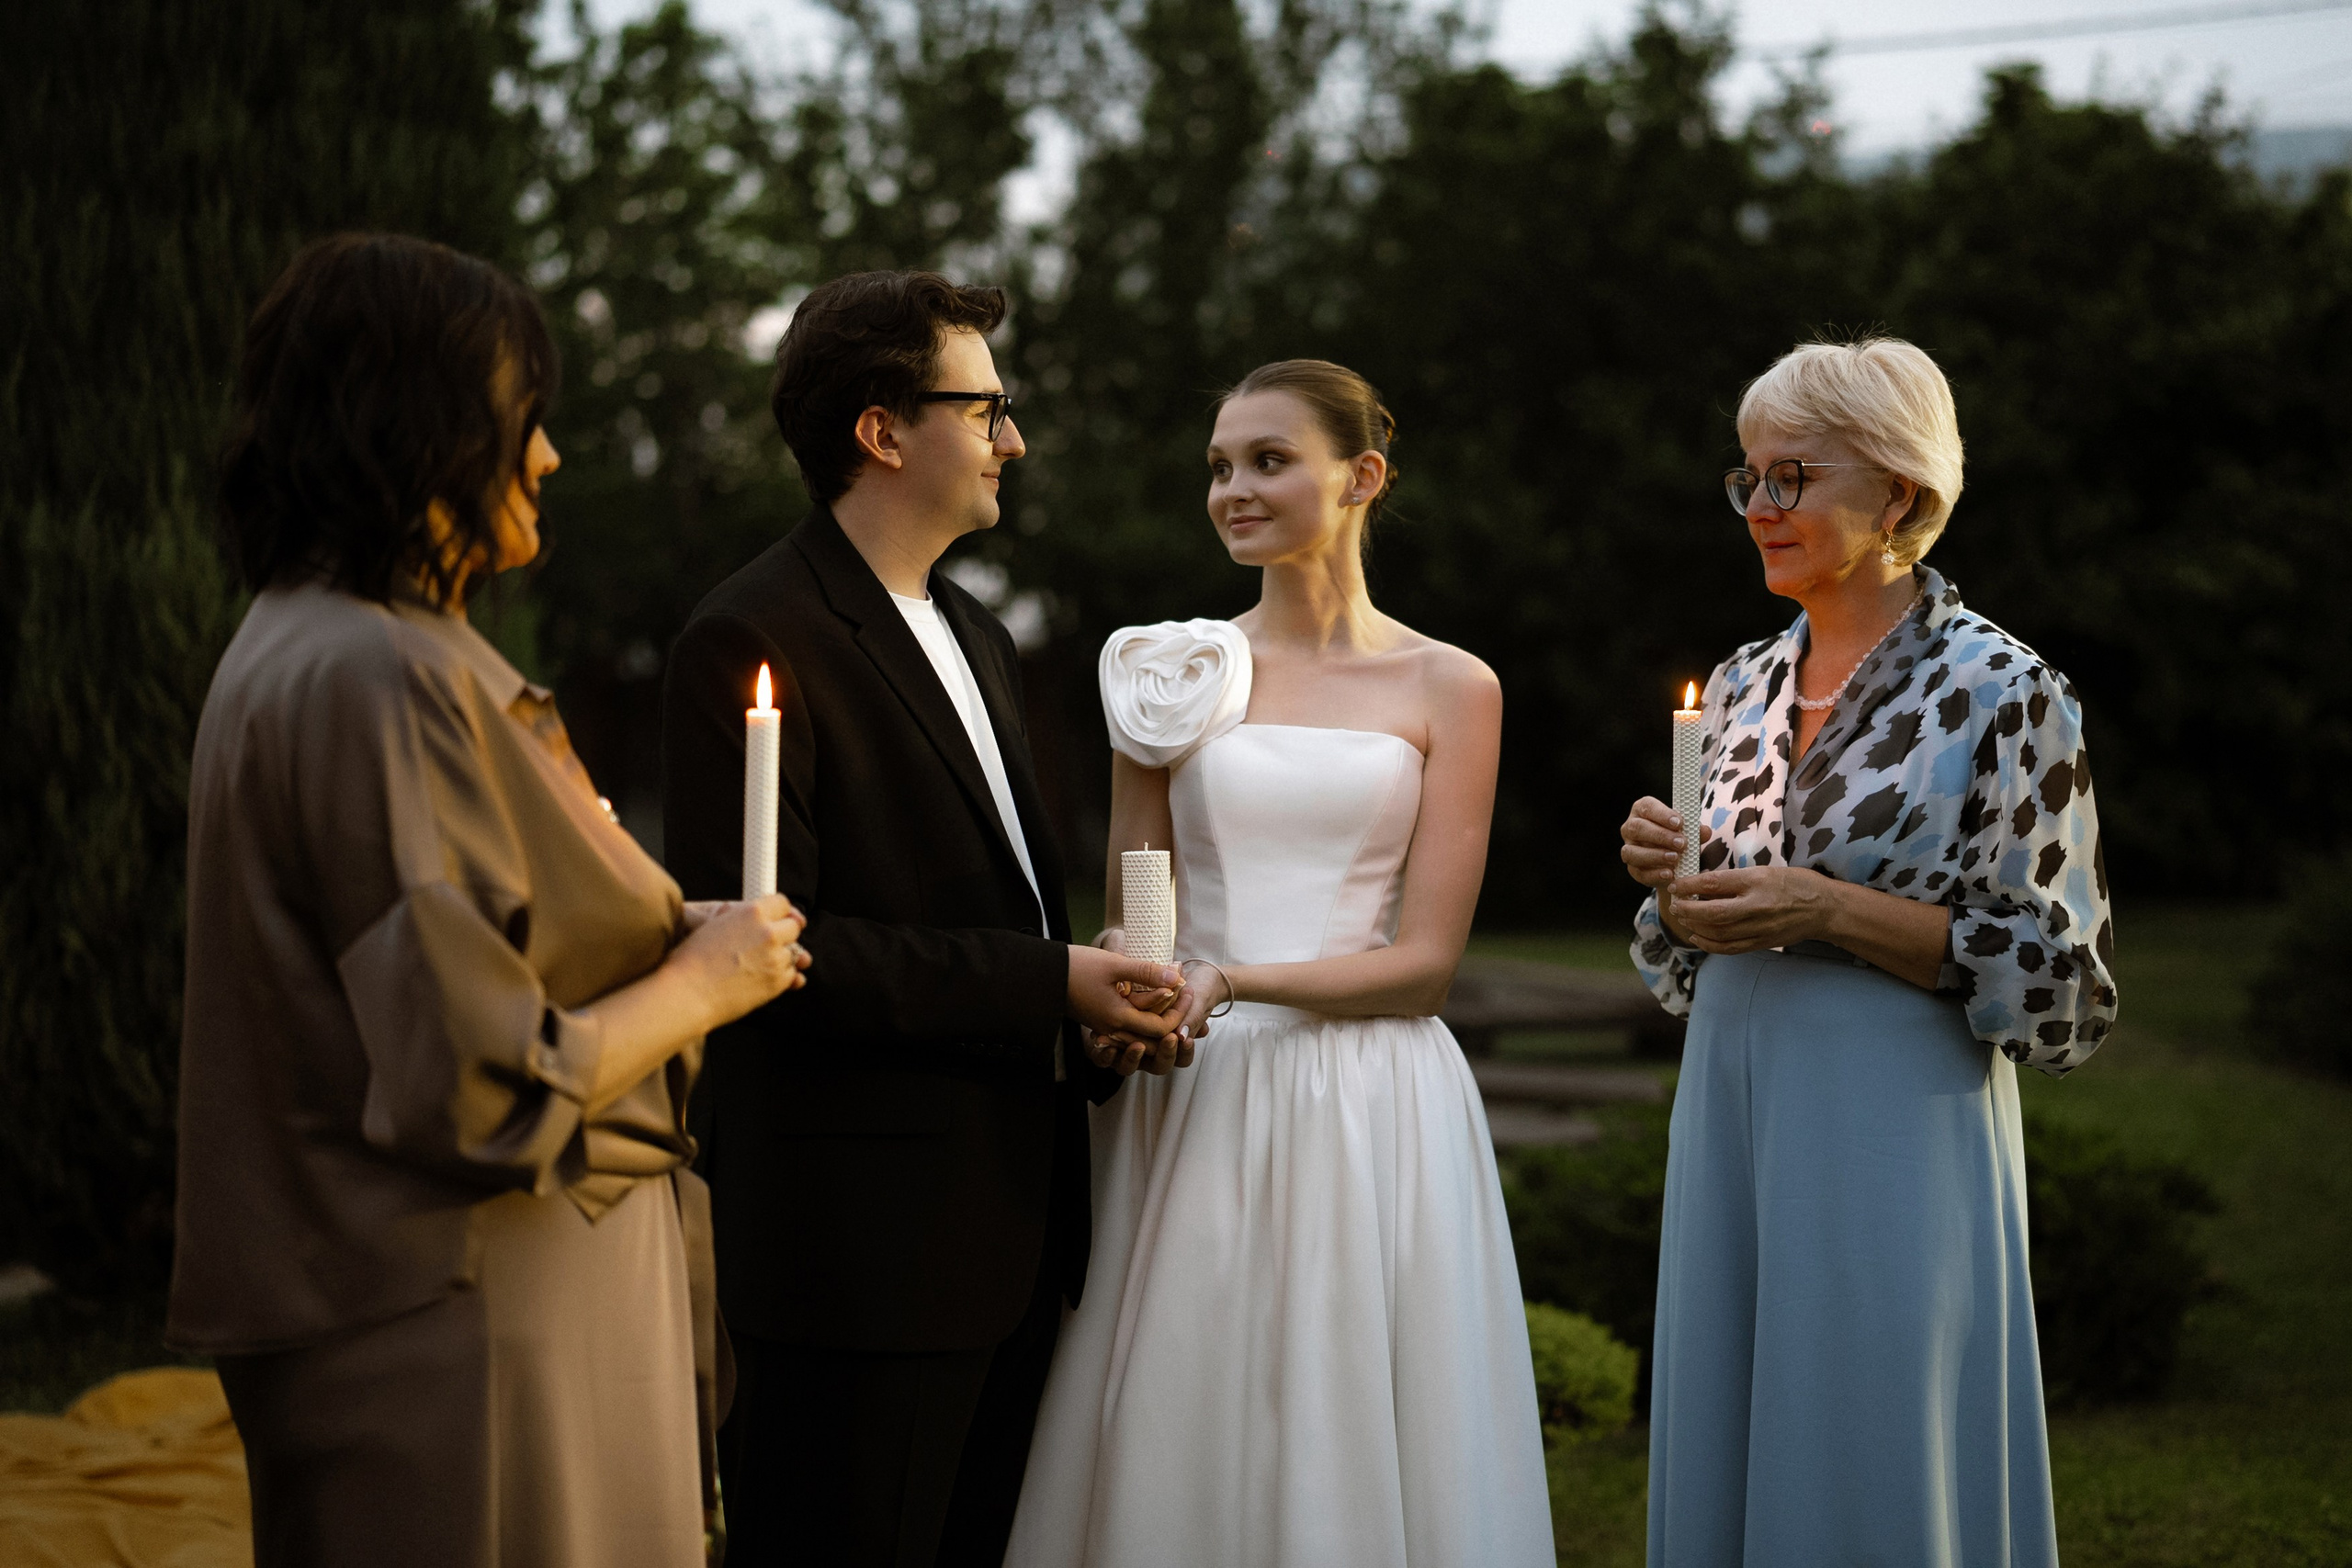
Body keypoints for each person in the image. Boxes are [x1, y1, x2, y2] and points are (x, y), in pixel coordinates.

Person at [169, 232, 810, 1568]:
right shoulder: (382, 675)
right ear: (418, 424)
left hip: (462, 1295)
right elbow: (478, 1076)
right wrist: (711, 981)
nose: (548, 456)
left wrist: (661, 937)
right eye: (526, 418)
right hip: (475, 1314)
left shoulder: (307, 640)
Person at [660, 269, 1189, 1568]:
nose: (1015, 438)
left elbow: (999, 903)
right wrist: (1050, 984)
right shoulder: (749, 636)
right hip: (856, 1246)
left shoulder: (978, 631)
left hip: (1007, 1224)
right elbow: (774, 951)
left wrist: (1086, 1022)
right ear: (882, 431)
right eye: (986, 407)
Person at [1006, 360, 1556, 1567]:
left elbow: (1423, 967)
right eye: (1219, 465)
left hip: (1369, 1099)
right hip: (1189, 1086)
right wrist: (1138, 989)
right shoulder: (1165, 672)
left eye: (1267, 460)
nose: (1233, 489)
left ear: (1360, 478)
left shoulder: (1451, 687)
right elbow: (1136, 909)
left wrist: (1240, 980)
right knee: (1184, 1397)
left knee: (1349, 1400)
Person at [1619, 336, 2119, 1567]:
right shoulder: (1738, 685)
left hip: (1893, 1108)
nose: (1763, 509)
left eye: (1794, 476)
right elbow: (1686, 942)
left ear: (1900, 492)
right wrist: (1671, 887)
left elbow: (2061, 988)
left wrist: (1830, 913)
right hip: (1734, 1092)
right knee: (1732, 1412)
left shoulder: (2008, 690)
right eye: (1749, 479)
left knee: (1874, 1428)